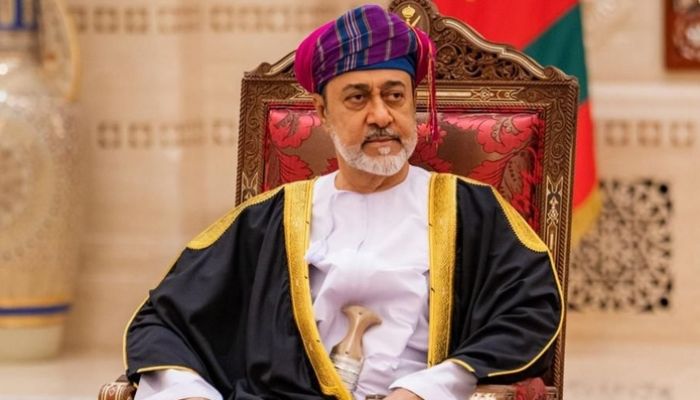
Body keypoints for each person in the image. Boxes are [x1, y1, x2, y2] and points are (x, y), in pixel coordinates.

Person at [125, 4, 563, 400]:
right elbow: (163, 322)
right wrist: (189, 394)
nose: (381, 115)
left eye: (395, 95)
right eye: (357, 98)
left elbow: (529, 310)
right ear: (321, 111)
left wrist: (427, 389)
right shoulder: (270, 220)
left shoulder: (472, 211)